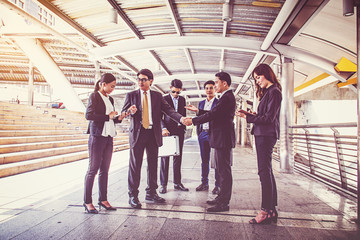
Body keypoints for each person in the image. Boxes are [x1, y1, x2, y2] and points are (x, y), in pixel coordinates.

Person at [121, 69, 187, 209]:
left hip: (153, 134)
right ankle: (133, 196)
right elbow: (123, 113)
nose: (140, 82)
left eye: (144, 79)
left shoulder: (157, 96)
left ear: (151, 81)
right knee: (135, 166)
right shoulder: (131, 95)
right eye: (138, 79)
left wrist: (181, 118)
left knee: (152, 165)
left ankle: (151, 193)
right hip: (138, 134)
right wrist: (128, 112)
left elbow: (169, 111)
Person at [236, 63, 282, 224]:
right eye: (255, 79)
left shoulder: (274, 92)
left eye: (258, 77)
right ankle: (271, 210)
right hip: (264, 134)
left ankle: (265, 211)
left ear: (267, 74)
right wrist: (252, 114)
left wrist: (248, 117)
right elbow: (266, 115)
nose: (257, 81)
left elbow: (269, 118)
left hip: (266, 135)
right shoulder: (270, 92)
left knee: (264, 172)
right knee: (267, 172)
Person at [185, 72, 236, 212]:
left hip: (223, 139)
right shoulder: (225, 97)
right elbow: (214, 113)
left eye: (216, 82)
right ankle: (221, 198)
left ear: (224, 83)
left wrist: (193, 120)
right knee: (221, 169)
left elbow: (213, 114)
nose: (215, 85)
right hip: (221, 138)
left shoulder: (227, 98)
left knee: (224, 171)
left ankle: (224, 203)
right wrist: (198, 112)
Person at [84, 73, 131, 214]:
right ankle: (87, 201)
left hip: (109, 136)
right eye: (111, 86)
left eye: (114, 87)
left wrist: (121, 116)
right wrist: (107, 116)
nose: (112, 89)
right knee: (93, 169)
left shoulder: (109, 98)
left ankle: (103, 199)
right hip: (97, 137)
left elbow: (112, 120)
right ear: (103, 84)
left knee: (105, 170)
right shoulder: (94, 96)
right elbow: (88, 115)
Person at [159, 79, 189, 194]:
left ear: (180, 90)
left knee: (178, 158)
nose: (176, 94)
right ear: (170, 87)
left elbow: (183, 115)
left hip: (179, 131)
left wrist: (184, 127)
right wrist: (163, 128)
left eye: (178, 92)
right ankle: (163, 184)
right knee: (165, 158)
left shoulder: (182, 100)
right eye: (174, 92)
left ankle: (177, 183)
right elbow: (159, 117)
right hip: (167, 132)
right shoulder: (163, 99)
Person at [195, 80, 220, 194]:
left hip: (214, 134)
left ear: (215, 89)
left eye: (211, 88)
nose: (209, 90)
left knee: (216, 160)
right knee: (204, 160)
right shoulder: (201, 103)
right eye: (207, 88)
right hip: (202, 133)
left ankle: (218, 185)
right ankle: (204, 183)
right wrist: (199, 133)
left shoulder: (219, 102)